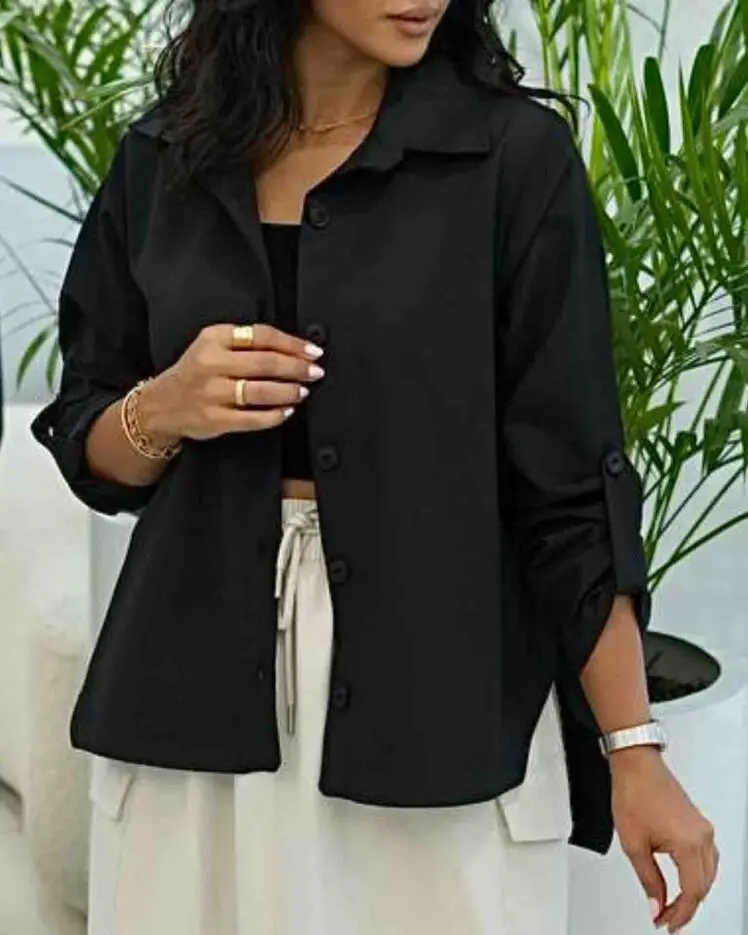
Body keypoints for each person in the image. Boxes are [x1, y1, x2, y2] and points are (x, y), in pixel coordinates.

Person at [31, 1, 719, 933]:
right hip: (190, 702)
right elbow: (91, 443)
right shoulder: (164, 159)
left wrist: (634, 749)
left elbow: (570, 486)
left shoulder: (510, 160)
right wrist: (165, 407)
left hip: (439, 698)